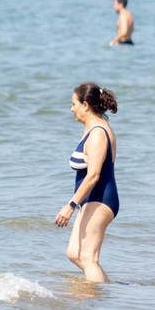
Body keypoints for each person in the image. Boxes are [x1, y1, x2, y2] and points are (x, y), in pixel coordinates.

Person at [55, 82, 120, 282]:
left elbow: (94, 176)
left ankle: (97, 301)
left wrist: (70, 205)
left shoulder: (98, 133)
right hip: (91, 200)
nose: (71, 109)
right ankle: (105, 291)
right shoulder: (92, 129)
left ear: (85, 105)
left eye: (73, 104)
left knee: (88, 258)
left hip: (101, 200)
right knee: (75, 253)